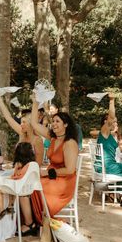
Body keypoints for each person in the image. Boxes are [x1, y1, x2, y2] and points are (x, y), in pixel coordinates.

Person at [29, 94, 79, 227]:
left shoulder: (70, 143)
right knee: (30, 183)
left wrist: (46, 173)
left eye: (57, 121)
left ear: (66, 124)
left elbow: (70, 170)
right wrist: (35, 102)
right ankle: (32, 220)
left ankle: (39, 218)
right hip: (52, 176)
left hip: (64, 181)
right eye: (53, 121)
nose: (54, 124)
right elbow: (34, 124)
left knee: (36, 186)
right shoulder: (52, 137)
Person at [0, 142, 38, 235]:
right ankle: (10, 206)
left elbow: (15, 175)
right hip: (26, 188)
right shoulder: (32, 164)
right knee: (12, 190)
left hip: (18, 188)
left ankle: (1, 210)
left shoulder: (19, 164)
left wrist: (9, 178)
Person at [0, 93, 44, 166]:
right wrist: (0, 101)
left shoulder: (37, 140)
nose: (21, 124)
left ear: (31, 124)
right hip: (17, 170)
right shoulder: (22, 133)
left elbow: (38, 164)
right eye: (21, 122)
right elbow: (9, 118)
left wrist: (21, 168)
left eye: (24, 122)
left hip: (30, 173)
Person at [96, 93, 122, 178]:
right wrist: (112, 100)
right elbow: (111, 117)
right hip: (107, 167)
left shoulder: (110, 134)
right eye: (114, 122)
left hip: (108, 166)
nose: (115, 123)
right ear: (106, 122)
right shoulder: (105, 132)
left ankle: (117, 189)